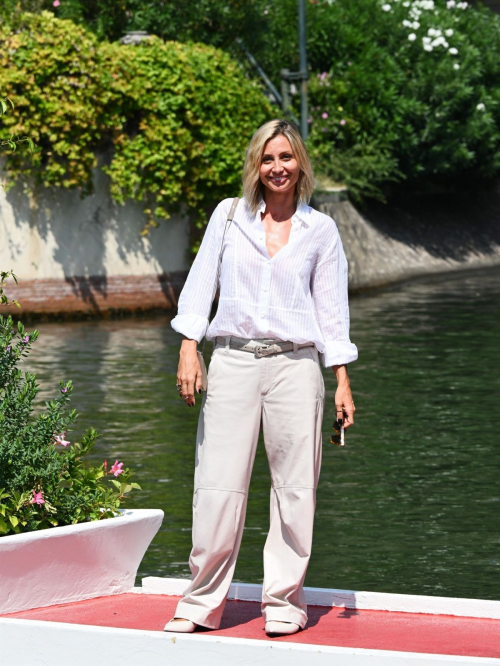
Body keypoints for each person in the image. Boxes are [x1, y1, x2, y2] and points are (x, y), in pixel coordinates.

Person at [164, 118, 357, 637]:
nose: (277, 168)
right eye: (268, 158)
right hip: (233, 361)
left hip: (297, 366)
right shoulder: (228, 218)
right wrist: (189, 347)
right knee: (217, 485)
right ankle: (200, 603)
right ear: (257, 164)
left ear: (301, 165)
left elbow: (332, 310)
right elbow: (201, 282)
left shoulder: (322, 231)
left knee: (296, 489)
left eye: (287, 158)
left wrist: (341, 379)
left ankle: (284, 602)